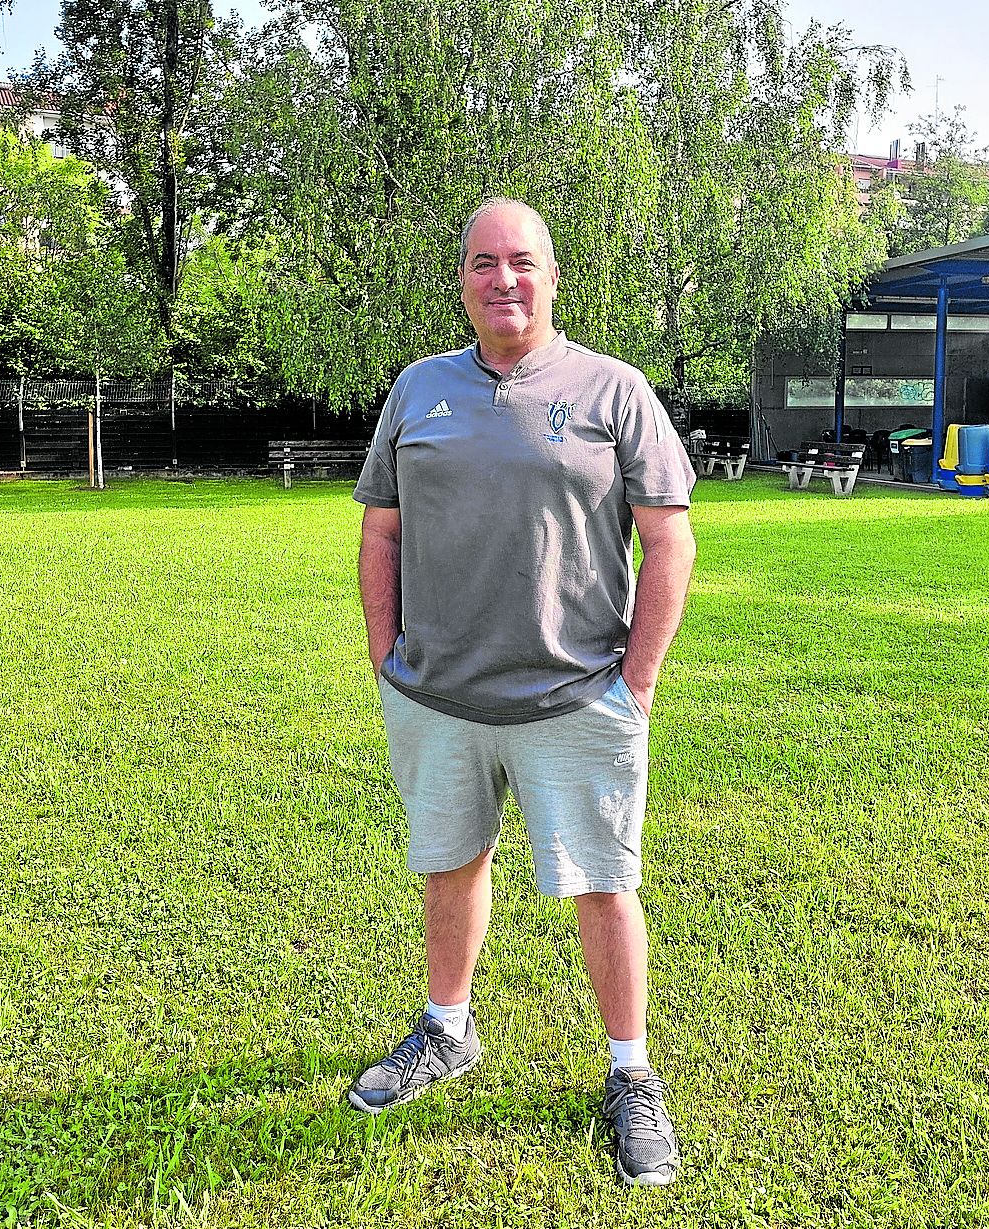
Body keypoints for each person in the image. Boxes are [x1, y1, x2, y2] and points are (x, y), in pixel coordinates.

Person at [348, 198, 697, 1188]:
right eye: (484, 262)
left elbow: (669, 538)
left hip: (576, 695)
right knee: (451, 863)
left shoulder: (614, 389)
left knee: (601, 881)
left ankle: (630, 1072)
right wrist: (389, 662)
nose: (504, 278)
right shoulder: (419, 390)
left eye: (523, 262)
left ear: (553, 276)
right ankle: (446, 1028)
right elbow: (380, 531)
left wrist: (638, 680)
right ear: (461, 278)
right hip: (439, 697)